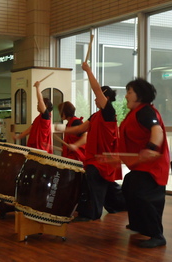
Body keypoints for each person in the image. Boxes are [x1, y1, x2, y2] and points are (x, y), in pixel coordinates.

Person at [64, 62, 125, 221]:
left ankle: (90, 214)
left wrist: (88, 70)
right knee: (108, 188)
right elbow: (80, 129)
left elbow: (96, 89)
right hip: (96, 159)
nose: (96, 99)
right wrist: (59, 129)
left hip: (102, 160)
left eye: (99, 97)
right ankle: (121, 205)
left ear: (107, 98)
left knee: (93, 182)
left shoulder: (108, 112)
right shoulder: (96, 115)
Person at [119, 78, 169, 248]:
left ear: (139, 96)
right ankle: (139, 225)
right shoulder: (135, 112)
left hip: (153, 164)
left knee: (142, 194)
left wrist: (151, 147)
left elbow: (157, 131)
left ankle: (157, 235)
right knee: (128, 186)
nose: (126, 96)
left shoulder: (146, 112)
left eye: (129, 92)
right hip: (142, 164)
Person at [13, 81, 53, 154]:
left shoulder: (46, 116)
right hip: (34, 148)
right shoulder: (38, 118)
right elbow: (29, 130)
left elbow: (40, 100)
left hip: (41, 149)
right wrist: (18, 137)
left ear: (45, 106)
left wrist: (37, 87)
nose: (38, 105)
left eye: (38, 104)